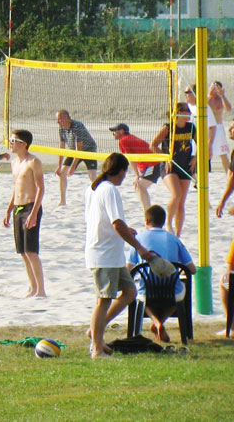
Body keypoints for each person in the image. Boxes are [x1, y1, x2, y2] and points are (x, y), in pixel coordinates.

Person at [84, 152, 159, 359]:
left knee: (129, 292)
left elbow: (110, 222)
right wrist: (140, 248)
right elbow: (116, 224)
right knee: (103, 300)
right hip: (103, 254)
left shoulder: (97, 188)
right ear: (122, 171)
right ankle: (98, 349)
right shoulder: (108, 190)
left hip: (111, 254)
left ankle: (95, 334)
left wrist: (128, 229)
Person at [127, 205, 196, 343]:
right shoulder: (174, 239)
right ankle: (160, 322)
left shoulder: (138, 239)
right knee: (181, 291)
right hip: (171, 290)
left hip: (147, 290)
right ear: (163, 221)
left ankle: (156, 321)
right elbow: (192, 269)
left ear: (146, 221)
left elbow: (129, 270)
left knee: (139, 295)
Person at [5, 129, 47, 298]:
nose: (10, 144)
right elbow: (16, 188)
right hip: (18, 207)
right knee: (22, 252)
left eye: (13, 141)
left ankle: (41, 290)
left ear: (23, 144)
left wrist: (34, 213)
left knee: (31, 251)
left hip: (30, 207)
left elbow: (40, 189)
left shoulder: (34, 162)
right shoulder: (15, 163)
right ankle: (33, 287)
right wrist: (8, 210)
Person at [151, 103, 195, 236]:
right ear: (178, 112)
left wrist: (196, 158)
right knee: (176, 195)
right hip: (170, 166)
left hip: (185, 165)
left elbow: (203, 144)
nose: (189, 113)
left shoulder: (191, 127)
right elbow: (153, 145)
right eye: (186, 110)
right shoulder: (168, 127)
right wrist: (166, 159)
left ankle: (178, 235)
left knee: (181, 202)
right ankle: (169, 224)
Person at [110, 123, 160, 210]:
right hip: (153, 164)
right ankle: (148, 210)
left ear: (121, 131)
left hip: (153, 164)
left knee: (139, 185)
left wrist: (137, 175)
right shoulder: (129, 138)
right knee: (140, 186)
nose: (113, 134)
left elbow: (131, 159)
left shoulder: (123, 140)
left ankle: (147, 211)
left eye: (115, 131)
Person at [55, 109, 97, 206]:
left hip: (88, 150)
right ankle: (62, 201)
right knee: (62, 173)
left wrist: (73, 167)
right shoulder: (61, 128)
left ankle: (98, 198)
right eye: (57, 119)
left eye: (60, 119)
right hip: (73, 151)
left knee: (92, 176)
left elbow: (80, 149)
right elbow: (61, 148)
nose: (58, 122)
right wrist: (59, 166)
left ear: (67, 118)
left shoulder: (77, 126)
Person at [186, 84, 223, 176]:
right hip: (187, 148)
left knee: (200, 177)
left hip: (200, 148)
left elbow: (212, 127)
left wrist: (209, 146)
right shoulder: (185, 108)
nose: (185, 95)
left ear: (194, 93)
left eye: (187, 92)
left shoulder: (203, 108)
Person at [208, 81, 232, 174]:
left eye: (216, 88)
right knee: (203, 152)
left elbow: (229, 108)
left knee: (223, 154)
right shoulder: (207, 99)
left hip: (218, 128)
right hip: (208, 127)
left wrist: (223, 96)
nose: (213, 89)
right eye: (212, 87)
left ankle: (228, 175)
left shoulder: (221, 99)